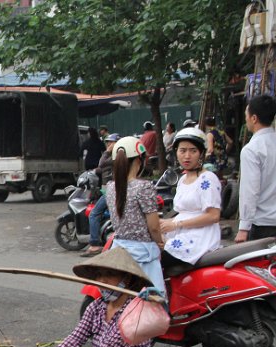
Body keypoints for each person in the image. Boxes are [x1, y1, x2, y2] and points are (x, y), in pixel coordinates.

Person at [104, 136, 165, 293]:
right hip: (143, 254)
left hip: (119, 250)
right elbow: (154, 227)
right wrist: (161, 243)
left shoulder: (110, 187)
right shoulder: (144, 187)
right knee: (155, 302)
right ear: (139, 160)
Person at [159, 128, 222, 269]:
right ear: (176, 152)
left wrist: (176, 224)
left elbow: (213, 216)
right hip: (182, 235)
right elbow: (185, 213)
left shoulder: (207, 179)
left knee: (153, 257)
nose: (187, 156)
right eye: (182, 150)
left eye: (193, 151)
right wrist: (164, 223)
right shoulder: (182, 180)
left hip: (199, 239)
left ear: (201, 153)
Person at [236, 95, 276, 242]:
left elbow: (250, 191)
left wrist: (243, 228)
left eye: (246, 115)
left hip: (263, 225)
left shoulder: (252, 150)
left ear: (254, 118)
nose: (245, 119)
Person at [82, 133, 120, 256]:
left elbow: (102, 164)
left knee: (94, 214)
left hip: (113, 190)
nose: (108, 145)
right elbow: (101, 168)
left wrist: (107, 152)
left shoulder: (117, 155)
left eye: (111, 142)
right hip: (112, 188)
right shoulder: (119, 155)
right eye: (107, 142)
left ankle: (94, 244)